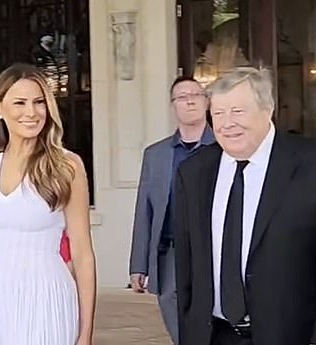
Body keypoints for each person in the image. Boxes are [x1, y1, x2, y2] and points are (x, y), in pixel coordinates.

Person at [174, 66, 316, 345]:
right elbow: (186, 265)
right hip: (213, 336)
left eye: (238, 111)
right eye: (218, 113)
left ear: (267, 110)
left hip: (291, 336)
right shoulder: (194, 172)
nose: (227, 123)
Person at [0, 63, 96, 345]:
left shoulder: (67, 166)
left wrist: (85, 334)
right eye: (20, 103)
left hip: (49, 297)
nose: (31, 112)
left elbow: (83, 254)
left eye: (39, 103)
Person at [129, 76, 214, 344]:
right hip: (170, 253)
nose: (189, 101)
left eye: (196, 95)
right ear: (173, 106)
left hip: (211, 251)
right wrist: (138, 264)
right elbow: (145, 210)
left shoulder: (224, 148)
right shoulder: (156, 154)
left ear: (206, 102)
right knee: (175, 318)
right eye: (181, 97)